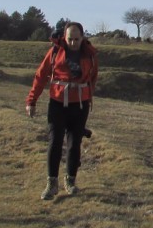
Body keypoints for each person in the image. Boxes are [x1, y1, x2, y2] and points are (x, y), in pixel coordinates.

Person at [25, 22, 98, 200]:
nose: (73, 42)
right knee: (55, 142)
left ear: (82, 37)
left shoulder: (90, 55)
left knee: (74, 144)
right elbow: (41, 76)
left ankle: (70, 181)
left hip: (79, 105)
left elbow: (93, 78)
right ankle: (51, 183)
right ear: (64, 37)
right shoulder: (55, 52)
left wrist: (88, 98)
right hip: (57, 103)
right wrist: (31, 100)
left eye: (77, 39)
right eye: (70, 39)